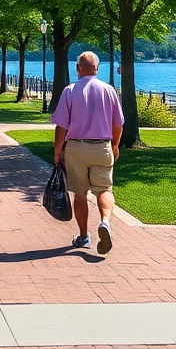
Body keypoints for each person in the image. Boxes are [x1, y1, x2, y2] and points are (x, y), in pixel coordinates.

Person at [52, 51, 124, 254]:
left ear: (78, 68)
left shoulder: (70, 90)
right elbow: (118, 124)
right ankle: (105, 222)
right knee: (104, 189)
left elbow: (61, 126)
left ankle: (83, 236)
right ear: (97, 68)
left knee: (80, 193)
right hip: (102, 146)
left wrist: (58, 152)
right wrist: (115, 145)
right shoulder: (109, 90)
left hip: (76, 147)